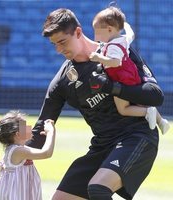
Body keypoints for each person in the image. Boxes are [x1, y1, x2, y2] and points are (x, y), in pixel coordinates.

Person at [26, 8, 164, 200]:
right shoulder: (62, 81)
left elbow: (156, 96)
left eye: (62, 42)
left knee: (98, 188)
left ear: (78, 32)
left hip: (137, 136)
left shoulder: (116, 53)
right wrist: (14, 160)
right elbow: (42, 126)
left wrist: (112, 87)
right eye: (54, 45)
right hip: (103, 145)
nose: (59, 49)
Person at [89, 6, 170, 134]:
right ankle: (161, 122)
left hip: (121, 79)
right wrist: (125, 25)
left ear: (109, 29)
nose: (95, 37)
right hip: (132, 75)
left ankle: (148, 112)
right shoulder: (123, 40)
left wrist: (99, 58)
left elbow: (116, 62)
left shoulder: (112, 47)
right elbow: (131, 34)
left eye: (97, 32)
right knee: (139, 101)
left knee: (124, 109)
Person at [0, 110, 55, 200]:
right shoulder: (17, 151)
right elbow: (46, 153)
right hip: (17, 195)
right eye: (25, 127)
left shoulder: (19, 149)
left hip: (21, 193)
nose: (29, 127)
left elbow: (44, 151)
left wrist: (48, 136)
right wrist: (51, 132)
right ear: (18, 134)